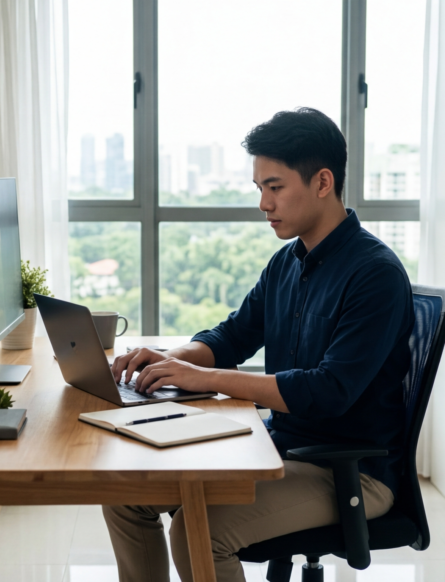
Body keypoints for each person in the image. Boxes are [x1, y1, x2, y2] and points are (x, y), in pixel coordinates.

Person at [103, 108, 413, 582]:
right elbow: (233, 336)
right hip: (280, 447)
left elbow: (330, 390)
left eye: (275, 187)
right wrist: (173, 360)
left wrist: (205, 379)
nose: (264, 204)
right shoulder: (287, 261)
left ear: (323, 182)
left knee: (198, 531)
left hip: (351, 471)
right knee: (126, 491)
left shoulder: (376, 274)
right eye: (259, 189)